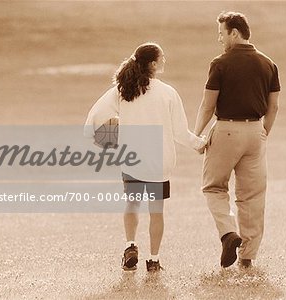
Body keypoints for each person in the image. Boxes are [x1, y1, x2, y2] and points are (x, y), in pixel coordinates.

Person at [85, 42, 206, 272]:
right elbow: (180, 132)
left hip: (132, 159)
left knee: (132, 203)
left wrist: (97, 138)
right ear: (153, 64)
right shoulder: (168, 93)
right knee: (156, 211)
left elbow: (97, 113)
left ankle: (130, 246)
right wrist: (199, 145)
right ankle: (154, 260)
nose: (164, 61)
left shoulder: (123, 89)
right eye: (162, 58)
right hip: (159, 162)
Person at [194, 12, 280, 268]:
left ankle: (229, 233)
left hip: (226, 131)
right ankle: (248, 257)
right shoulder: (268, 64)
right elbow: (274, 107)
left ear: (234, 32)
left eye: (221, 33)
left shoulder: (220, 63)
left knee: (214, 187)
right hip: (256, 133)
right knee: (252, 196)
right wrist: (263, 131)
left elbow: (208, 105)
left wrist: (197, 135)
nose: (219, 38)